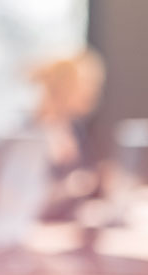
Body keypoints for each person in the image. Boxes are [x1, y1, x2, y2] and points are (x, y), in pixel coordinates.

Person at [29, 50, 108, 220]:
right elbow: (29, 199)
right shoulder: (32, 132)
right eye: (87, 83)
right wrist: (75, 187)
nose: (93, 91)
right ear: (64, 85)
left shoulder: (75, 130)